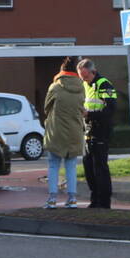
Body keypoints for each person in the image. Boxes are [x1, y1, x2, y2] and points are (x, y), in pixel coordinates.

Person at [43, 57, 85, 209]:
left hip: (57, 132)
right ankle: (72, 198)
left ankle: (52, 199)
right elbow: (82, 109)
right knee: (71, 165)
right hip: (75, 132)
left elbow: (46, 108)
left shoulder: (55, 87)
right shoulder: (82, 88)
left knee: (53, 164)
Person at [77, 58, 117, 208]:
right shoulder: (85, 85)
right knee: (88, 168)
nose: (84, 80)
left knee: (100, 167)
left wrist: (90, 114)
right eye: (81, 77)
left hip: (101, 130)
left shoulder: (104, 84)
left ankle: (104, 202)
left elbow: (111, 108)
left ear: (93, 72)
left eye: (86, 77)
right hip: (88, 130)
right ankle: (94, 200)